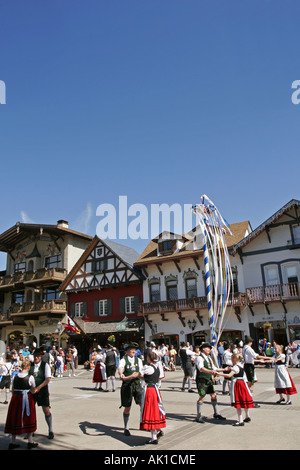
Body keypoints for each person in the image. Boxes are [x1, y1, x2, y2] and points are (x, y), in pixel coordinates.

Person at [5, 360, 38, 449]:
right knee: (29, 418)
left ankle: (13, 441)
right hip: (26, 398)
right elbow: (33, 389)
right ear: (28, 367)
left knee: (15, 418)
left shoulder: (15, 376)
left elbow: (13, 389)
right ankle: (30, 441)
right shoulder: (30, 377)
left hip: (16, 398)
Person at [218, 353, 254, 426]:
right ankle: (247, 416)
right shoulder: (241, 365)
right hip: (243, 383)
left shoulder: (235, 367)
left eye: (231, 359)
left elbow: (229, 375)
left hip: (237, 384)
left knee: (238, 401)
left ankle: (240, 420)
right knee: (244, 400)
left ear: (234, 359)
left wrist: (220, 374)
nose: (231, 360)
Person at [194, 343, 227, 423]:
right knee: (202, 397)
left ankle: (216, 413)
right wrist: (210, 371)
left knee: (213, 395)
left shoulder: (208, 358)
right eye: (207, 348)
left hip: (208, 379)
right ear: (203, 349)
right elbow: (201, 368)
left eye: (209, 348)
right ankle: (198, 416)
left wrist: (224, 370)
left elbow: (214, 368)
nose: (209, 350)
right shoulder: (199, 358)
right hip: (202, 380)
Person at [139, 350, 166, 445]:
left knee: (150, 411)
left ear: (148, 358)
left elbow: (139, 375)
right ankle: (157, 430)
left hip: (149, 390)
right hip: (155, 389)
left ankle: (154, 437)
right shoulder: (157, 366)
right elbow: (156, 377)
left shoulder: (147, 367)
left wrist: (126, 377)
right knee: (156, 410)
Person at [118, 342, 143, 436]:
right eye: (132, 349)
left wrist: (135, 376)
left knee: (142, 404)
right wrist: (121, 374)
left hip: (136, 384)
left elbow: (140, 372)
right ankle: (126, 427)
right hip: (127, 385)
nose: (134, 351)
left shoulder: (138, 360)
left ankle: (143, 424)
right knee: (127, 407)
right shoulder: (124, 360)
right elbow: (120, 368)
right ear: (127, 351)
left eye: (135, 350)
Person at [29, 348, 54, 439]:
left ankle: (50, 430)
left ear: (41, 357)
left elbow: (48, 379)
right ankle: (31, 431)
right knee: (31, 412)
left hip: (42, 391)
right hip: (32, 391)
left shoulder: (45, 365)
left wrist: (38, 388)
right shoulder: (30, 365)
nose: (36, 358)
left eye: (38, 356)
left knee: (46, 410)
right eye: (35, 356)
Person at [242, 336, 266, 408]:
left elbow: (250, 358)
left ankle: (248, 399)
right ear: (250, 342)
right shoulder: (249, 349)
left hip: (247, 365)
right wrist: (269, 357)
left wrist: (259, 361)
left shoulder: (244, 348)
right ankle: (249, 400)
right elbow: (256, 356)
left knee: (250, 383)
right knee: (251, 383)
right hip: (249, 367)